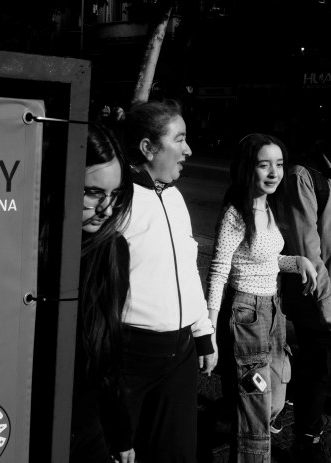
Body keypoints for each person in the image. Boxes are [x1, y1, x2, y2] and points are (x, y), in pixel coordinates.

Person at [206, 133, 317, 462]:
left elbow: (268, 259)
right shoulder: (235, 214)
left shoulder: (269, 206)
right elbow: (218, 271)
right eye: (264, 165)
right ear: (246, 168)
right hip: (247, 315)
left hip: (274, 312)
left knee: (275, 400)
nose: (274, 172)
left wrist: (297, 262)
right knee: (255, 410)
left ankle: (238, 420)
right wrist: (208, 330)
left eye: (279, 164)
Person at [117, 99, 215, 463]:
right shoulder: (116, 200)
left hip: (181, 353)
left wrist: (202, 333)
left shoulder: (174, 197)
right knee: (121, 451)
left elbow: (187, 270)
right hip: (130, 354)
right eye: (180, 139)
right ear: (148, 147)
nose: (188, 150)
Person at [69, 122, 135, 463]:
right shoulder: (23, 247)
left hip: (86, 422)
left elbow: (107, 352)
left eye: (115, 194)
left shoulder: (111, 250)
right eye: (94, 192)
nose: (107, 209)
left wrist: (120, 433)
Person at [282, 136, 331, 462]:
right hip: (316, 293)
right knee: (317, 367)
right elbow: (307, 250)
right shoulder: (303, 175)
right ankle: (307, 440)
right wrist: (327, 304)